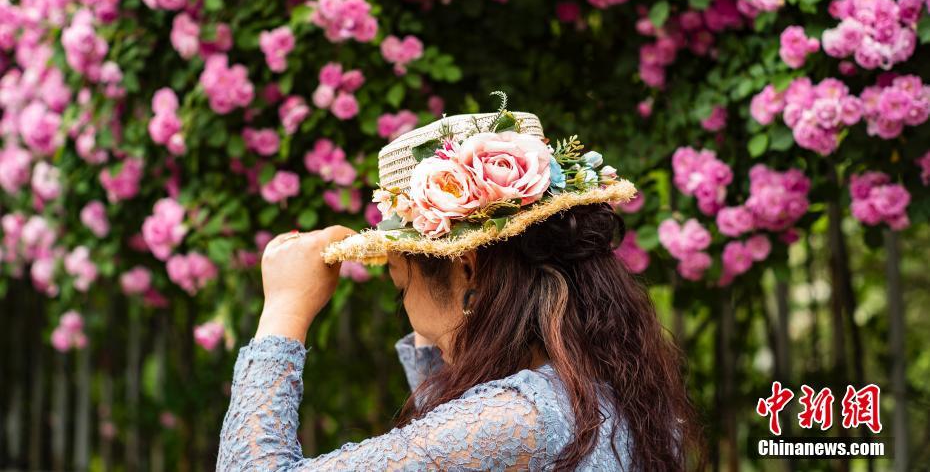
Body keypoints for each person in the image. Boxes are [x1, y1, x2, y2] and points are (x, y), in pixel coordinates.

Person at [217, 108, 703, 471]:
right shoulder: (617, 396)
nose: (405, 308)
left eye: (400, 287)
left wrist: (283, 312)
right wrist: (461, 311)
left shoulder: (516, 420)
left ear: (467, 269)